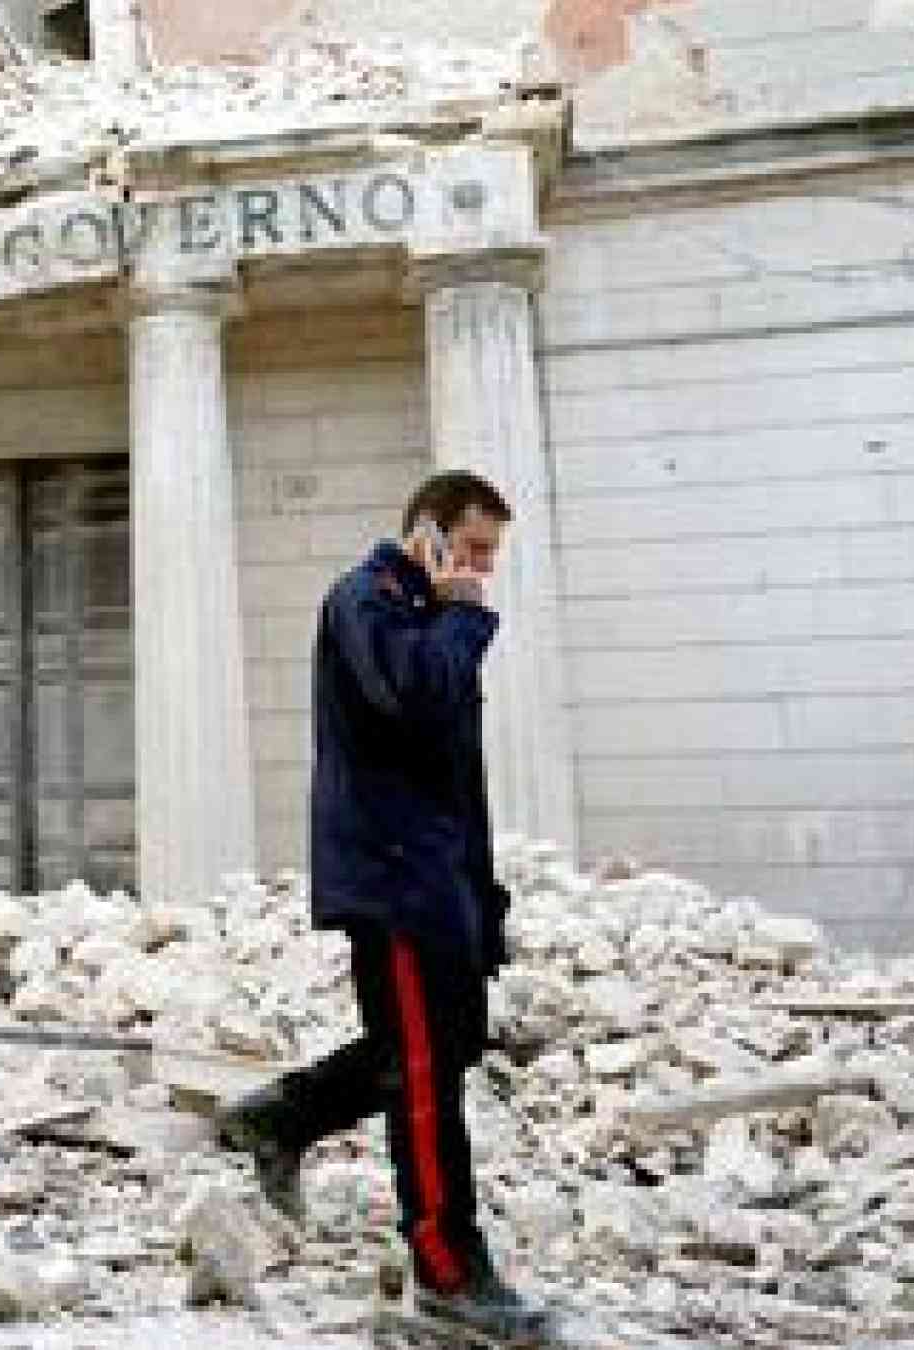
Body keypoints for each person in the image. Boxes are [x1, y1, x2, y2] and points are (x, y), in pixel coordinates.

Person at [217, 469, 553, 1342]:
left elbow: (449, 766)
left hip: (440, 881)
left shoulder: (425, 614)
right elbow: (414, 702)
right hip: (395, 883)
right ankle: (448, 1274)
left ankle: (283, 1116)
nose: (483, 570)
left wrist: (481, 899)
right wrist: (463, 611)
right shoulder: (366, 602)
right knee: (426, 1078)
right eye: (472, 550)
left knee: (445, 1048)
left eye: (489, 556)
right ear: (428, 534)